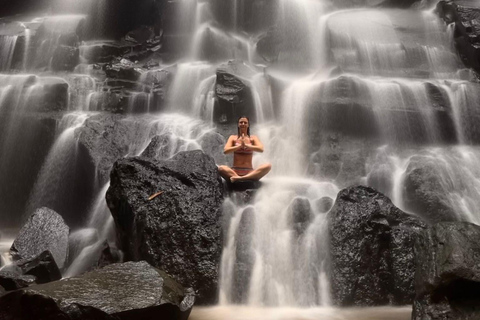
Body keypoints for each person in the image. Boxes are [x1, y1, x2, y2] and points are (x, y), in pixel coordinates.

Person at [218, 116, 271, 183]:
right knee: (221, 168)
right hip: (235, 172)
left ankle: (240, 179)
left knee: (268, 166)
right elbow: (226, 151)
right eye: (241, 122)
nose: (243, 124)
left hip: (250, 172)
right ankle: (242, 178)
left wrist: (247, 145)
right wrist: (239, 146)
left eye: (245, 123)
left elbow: (261, 149)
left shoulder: (253, 138)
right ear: (238, 124)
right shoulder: (233, 138)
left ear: (248, 125)